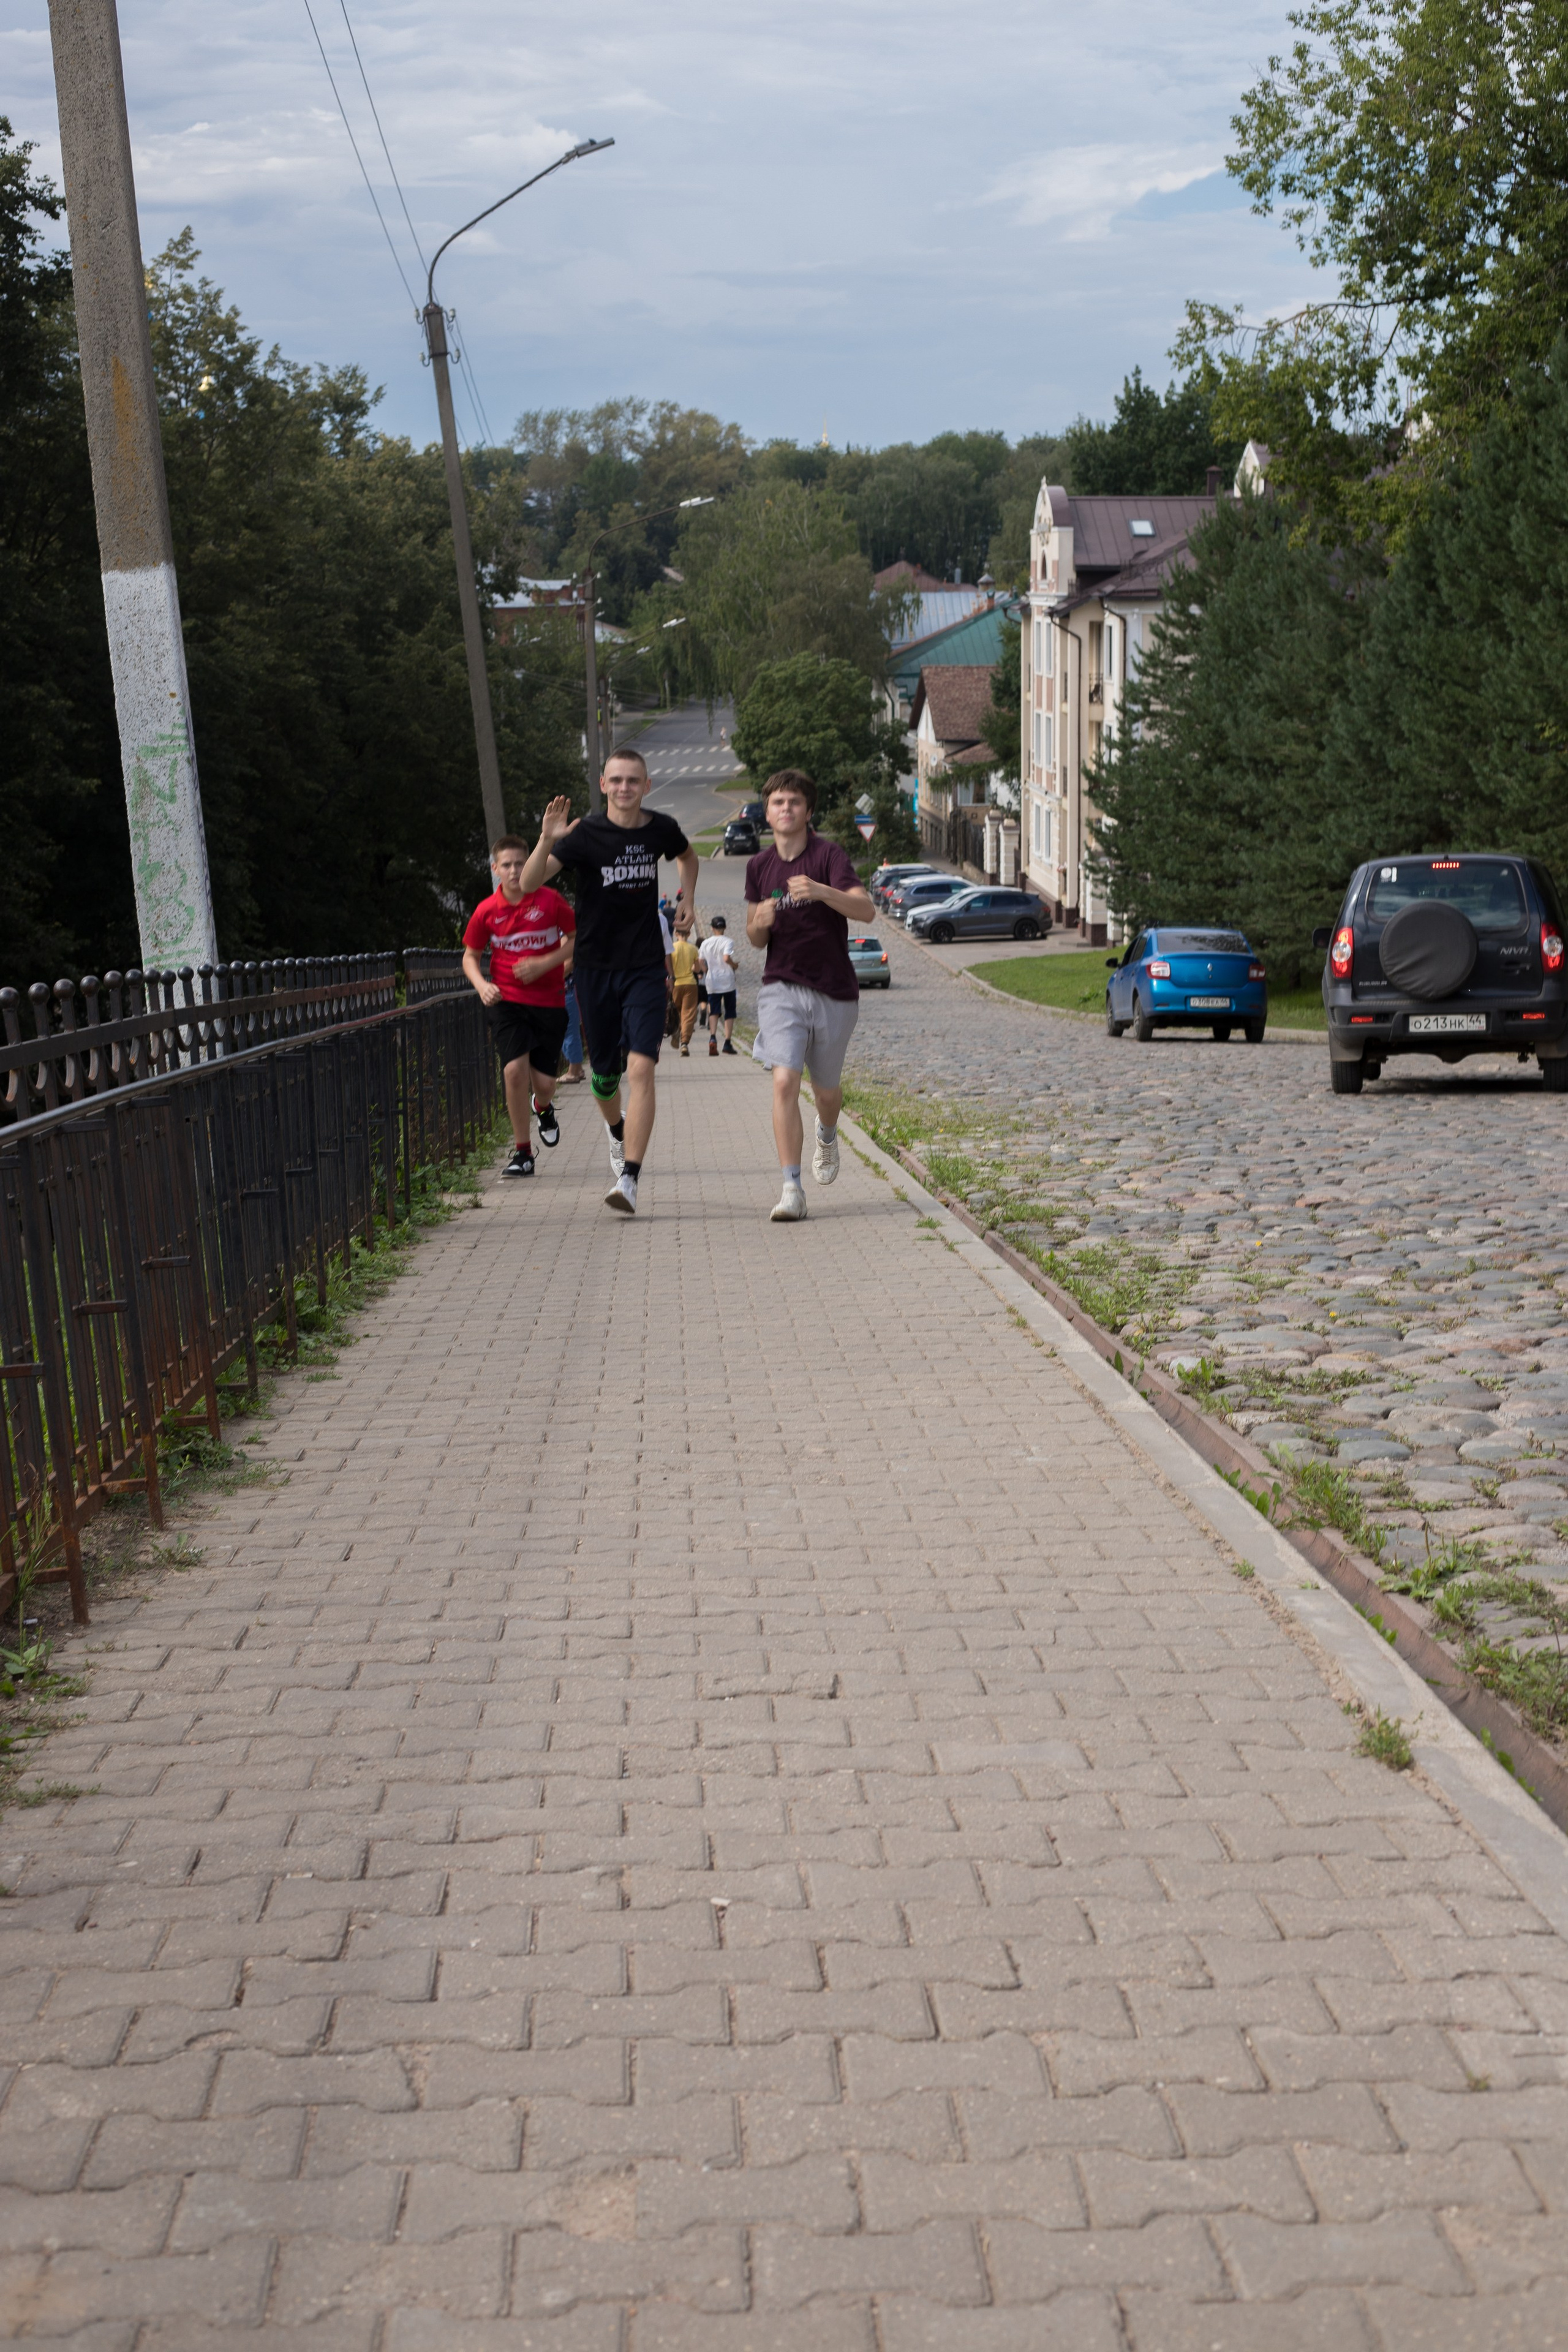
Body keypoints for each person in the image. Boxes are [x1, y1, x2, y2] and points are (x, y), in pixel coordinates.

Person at [519, 748, 698, 1215]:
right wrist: (546, 839)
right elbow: (528, 883)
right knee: (604, 1078)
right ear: (603, 785)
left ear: (647, 785)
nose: (625, 788)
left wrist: (689, 899)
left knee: (641, 1069)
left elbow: (688, 856)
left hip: (642, 967)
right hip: (594, 969)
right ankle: (617, 1131)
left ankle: (631, 1179)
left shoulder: (660, 828)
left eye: (633, 780)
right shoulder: (585, 835)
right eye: (616, 780)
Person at [744, 769, 873, 1223]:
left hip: (835, 990)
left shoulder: (828, 856)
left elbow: (867, 909)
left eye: (794, 802)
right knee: (784, 1080)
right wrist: (759, 922)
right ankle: (792, 1189)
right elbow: (756, 939)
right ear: (768, 810)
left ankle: (828, 1131)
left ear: (808, 811)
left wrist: (821, 891)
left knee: (827, 1092)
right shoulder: (759, 867)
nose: (785, 809)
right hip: (781, 986)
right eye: (777, 802)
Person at [462, 835, 576, 1177]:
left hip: (549, 1001)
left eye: (520, 864)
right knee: (513, 1071)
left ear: (531, 865)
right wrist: (482, 986)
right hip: (506, 1000)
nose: (514, 871)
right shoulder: (486, 911)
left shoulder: (551, 901)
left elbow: (576, 940)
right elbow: (470, 956)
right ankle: (523, 1153)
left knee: (544, 1084)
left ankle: (543, 1107)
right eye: (506, 865)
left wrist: (544, 964)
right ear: (495, 869)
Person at [699, 916, 738, 1057]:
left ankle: (713, 1038)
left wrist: (706, 971)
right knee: (730, 1011)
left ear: (712, 928)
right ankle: (727, 1042)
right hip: (727, 980)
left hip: (712, 981)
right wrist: (735, 965)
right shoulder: (728, 941)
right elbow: (727, 958)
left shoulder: (706, 943)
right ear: (725, 928)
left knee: (714, 1010)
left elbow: (700, 961)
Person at [669, 913, 701, 1054]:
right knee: (688, 1014)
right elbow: (698, 969)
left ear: (676, 933)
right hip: (690, 984)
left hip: (676, 984)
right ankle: (684, 1042)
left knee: (676, 1011)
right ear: (689, 934)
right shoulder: (693, 949)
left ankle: (677, 1030)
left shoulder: (671, 948)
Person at [560, 972, 585, 1084]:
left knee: (570, 1033)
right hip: (567, 991)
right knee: (569, 1032)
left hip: (568, 990)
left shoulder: (569, 954)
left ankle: (573, 1072)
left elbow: (570, 963)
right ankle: (578, 1069)